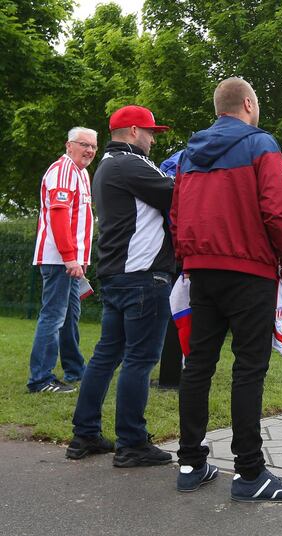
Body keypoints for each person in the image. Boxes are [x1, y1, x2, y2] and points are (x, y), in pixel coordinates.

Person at [171, 77, 282, 501]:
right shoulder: (261, 144)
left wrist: (186, 259)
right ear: (248, 103)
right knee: (249, 368)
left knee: (198, 366)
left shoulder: (190, 153)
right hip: (249, 270)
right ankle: (249, 473)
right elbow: (275, 208)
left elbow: (176, 213)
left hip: (201, 270)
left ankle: (190, 462)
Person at [67, 105, 176, 465]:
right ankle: (132, 443)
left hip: (116, 275)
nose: (152, 139)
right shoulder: (132, 164)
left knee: (106, 356)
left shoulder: (104, 167)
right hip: (143, 276)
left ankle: (84, 435)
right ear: (132, 131)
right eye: (150, 132)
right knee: (139, 359)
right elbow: (177, 196)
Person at [28, 127, 98, 393]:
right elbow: (59, 217)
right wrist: (70, 258)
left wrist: (80, 259)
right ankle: (40, 379)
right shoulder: (64, 170)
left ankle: (75, 368)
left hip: (70, 261)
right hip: (59, 260)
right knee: (54, 316)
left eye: (93, 146)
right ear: (69, 145)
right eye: (84, 144)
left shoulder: (81, 173)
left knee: (69, 315)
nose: (89, 150)